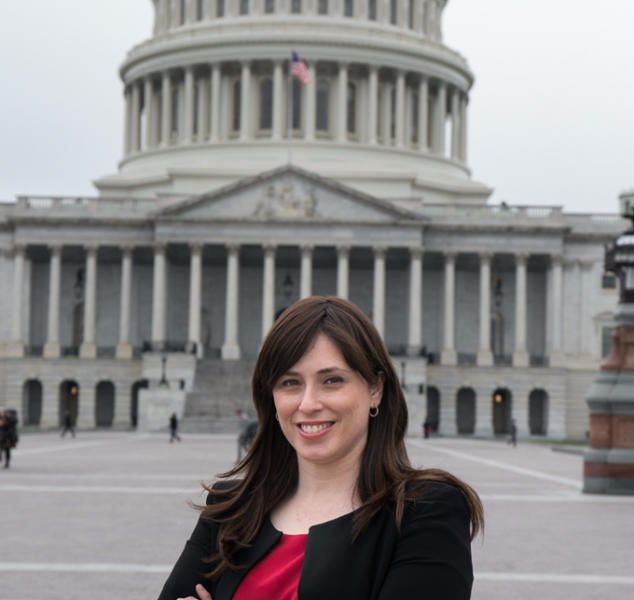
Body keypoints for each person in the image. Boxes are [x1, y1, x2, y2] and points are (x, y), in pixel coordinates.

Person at [159, 296, 484, 600]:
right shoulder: (230, 509)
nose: (308, 404)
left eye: (332, 380)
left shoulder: (424, 512)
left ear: (375, 388)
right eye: (290, 383)